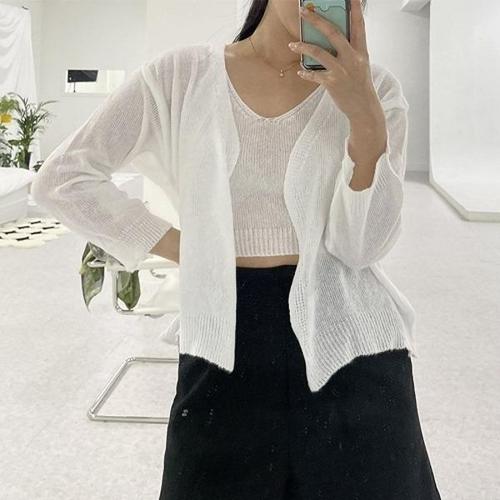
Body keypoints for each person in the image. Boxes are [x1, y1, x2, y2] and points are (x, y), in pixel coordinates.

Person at [31, 0, 442, 498]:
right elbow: (63, 179)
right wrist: (193, 248)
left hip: (352, 347)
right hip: (222, 342)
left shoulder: (376, 89)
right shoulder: (181, 76)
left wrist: (365, 118)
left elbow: (360, 248)